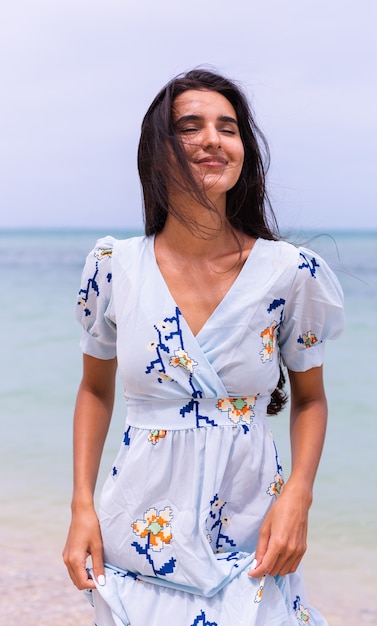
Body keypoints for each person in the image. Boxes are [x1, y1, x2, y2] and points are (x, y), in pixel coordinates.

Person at [63, 68, 344, 626]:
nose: (213, 139)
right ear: (156, 153)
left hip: (251, 521)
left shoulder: (289, 273)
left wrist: (298, 498)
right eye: (190, 127)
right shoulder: (114, 267)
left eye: (229, 127)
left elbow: (310, 398)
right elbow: (95, 389)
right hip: (137, 528)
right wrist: (81, 506)